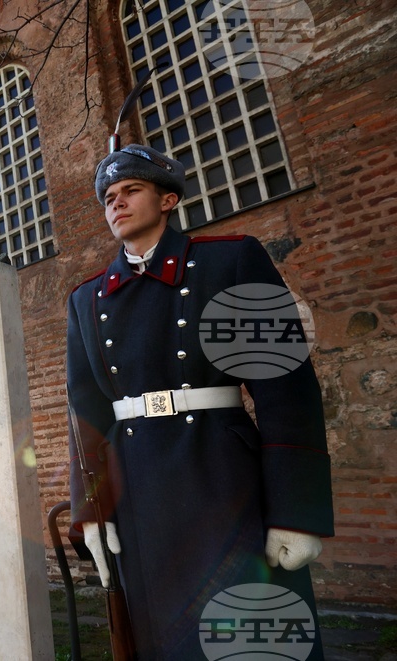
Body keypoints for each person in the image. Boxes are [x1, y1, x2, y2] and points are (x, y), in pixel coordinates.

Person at [66, 145, 334, 659]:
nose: (116, 204)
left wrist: (296, 512)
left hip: (221, 474)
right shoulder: (87, 299)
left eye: (131, 191)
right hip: (138, 486)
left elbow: (285, 387)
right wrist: (91, 510)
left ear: (168, 200)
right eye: (109, 198)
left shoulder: (230, 260)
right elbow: (86, 414)